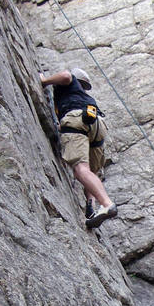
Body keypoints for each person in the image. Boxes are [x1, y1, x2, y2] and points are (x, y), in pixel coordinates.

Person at [40, 67, 117, 229]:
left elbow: (66, 76)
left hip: (77, 120)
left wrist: (45, 81)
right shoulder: (85, 97)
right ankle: (91, 206)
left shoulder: (68, 84)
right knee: (92, 171)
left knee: (81, 170)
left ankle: (107, 204)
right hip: (97, 125)